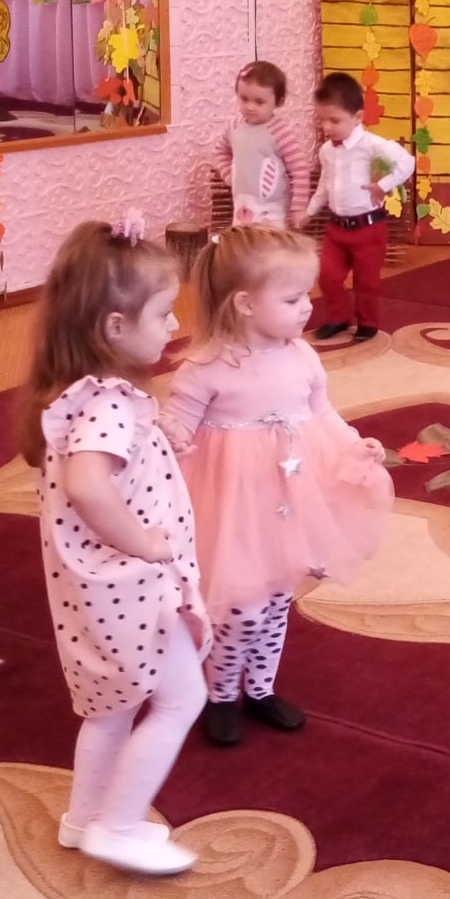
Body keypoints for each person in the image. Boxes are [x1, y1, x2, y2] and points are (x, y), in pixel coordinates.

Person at [21, 216, 206, 877]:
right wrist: (146, 543)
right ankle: (119, 827)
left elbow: (106, 464)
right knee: (181, 700)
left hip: (101, 592)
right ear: (115, 328)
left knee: (114, 707)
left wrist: (159, 440)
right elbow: (87, 484)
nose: (173, 324)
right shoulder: (109, 403)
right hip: (134, 588)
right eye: (163, 313)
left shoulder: (89, 395)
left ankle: (83, 819)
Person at [162, 226, 393, 746]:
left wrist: (354, 444)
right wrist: (169, 438)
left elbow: (321, 412)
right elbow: (177, 433)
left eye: (306, 294)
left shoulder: (301, 356)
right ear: (245, 303)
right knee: (241, 605)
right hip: (231, 502)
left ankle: (261, 689)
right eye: (291, 299)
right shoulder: (204, 367)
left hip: (289, 493)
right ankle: (221, 694)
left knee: (277, 599)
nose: (307, 307)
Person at [303, 72, 414, 344]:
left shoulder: (371, 144)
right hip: (336, 228)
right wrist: (309, 211)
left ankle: (367, 322)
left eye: (334, 120)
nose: (327, 127)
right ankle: (339, 316)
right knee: (327, 276)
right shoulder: (326, 151)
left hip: (368, 228)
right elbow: (325, 184)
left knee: (366, 282)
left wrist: (383, 185)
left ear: (357, 117)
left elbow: (407, 162)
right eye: (322, 120)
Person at [212, 60, 315, 229]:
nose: (250, 107)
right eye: (244, 99)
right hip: (242, 207)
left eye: (259, 102)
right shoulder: (235, 126)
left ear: (278, 102)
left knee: (272, 244)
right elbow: (220, 151)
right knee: (244, 240)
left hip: (274, 210)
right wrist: (230, 176)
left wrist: (298, 208)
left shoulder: (281, 132)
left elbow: (300, 170)